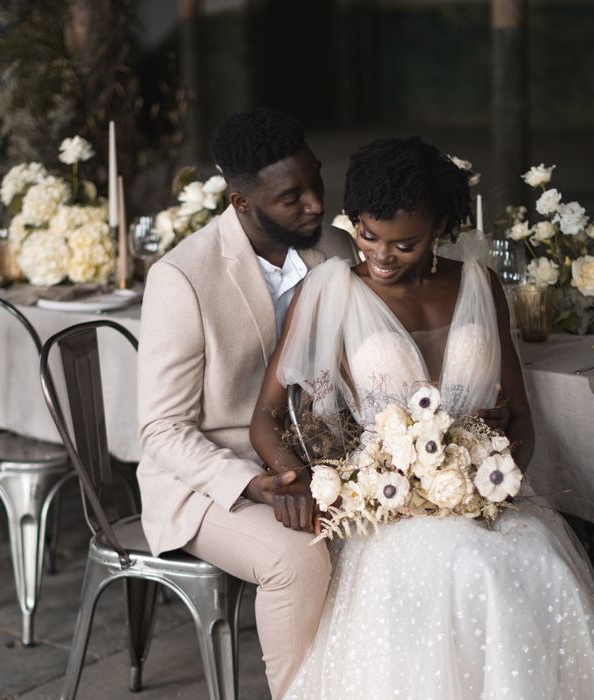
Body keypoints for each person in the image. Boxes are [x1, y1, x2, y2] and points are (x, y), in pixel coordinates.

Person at [250, 136, 594, 699]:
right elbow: (266, 416)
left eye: (404, 244)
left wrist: (495, 485)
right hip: (388, 512)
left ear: (440, 227)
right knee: (469, 568)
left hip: (488, 497)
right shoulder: (330, 290)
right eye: (366, 235)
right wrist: (294, 479)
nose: (381, 257)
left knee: (540, 563)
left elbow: (522, 421)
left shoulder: (480, 285)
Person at [137, 108, 359, 698]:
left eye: (316, 180)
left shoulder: (334, 249)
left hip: (316, 465)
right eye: (292, 197)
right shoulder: (181, 277)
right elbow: (161, 429)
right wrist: (254, 482)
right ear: (240, 201)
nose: (315, 204)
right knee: (297, 559)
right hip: (210, 481)